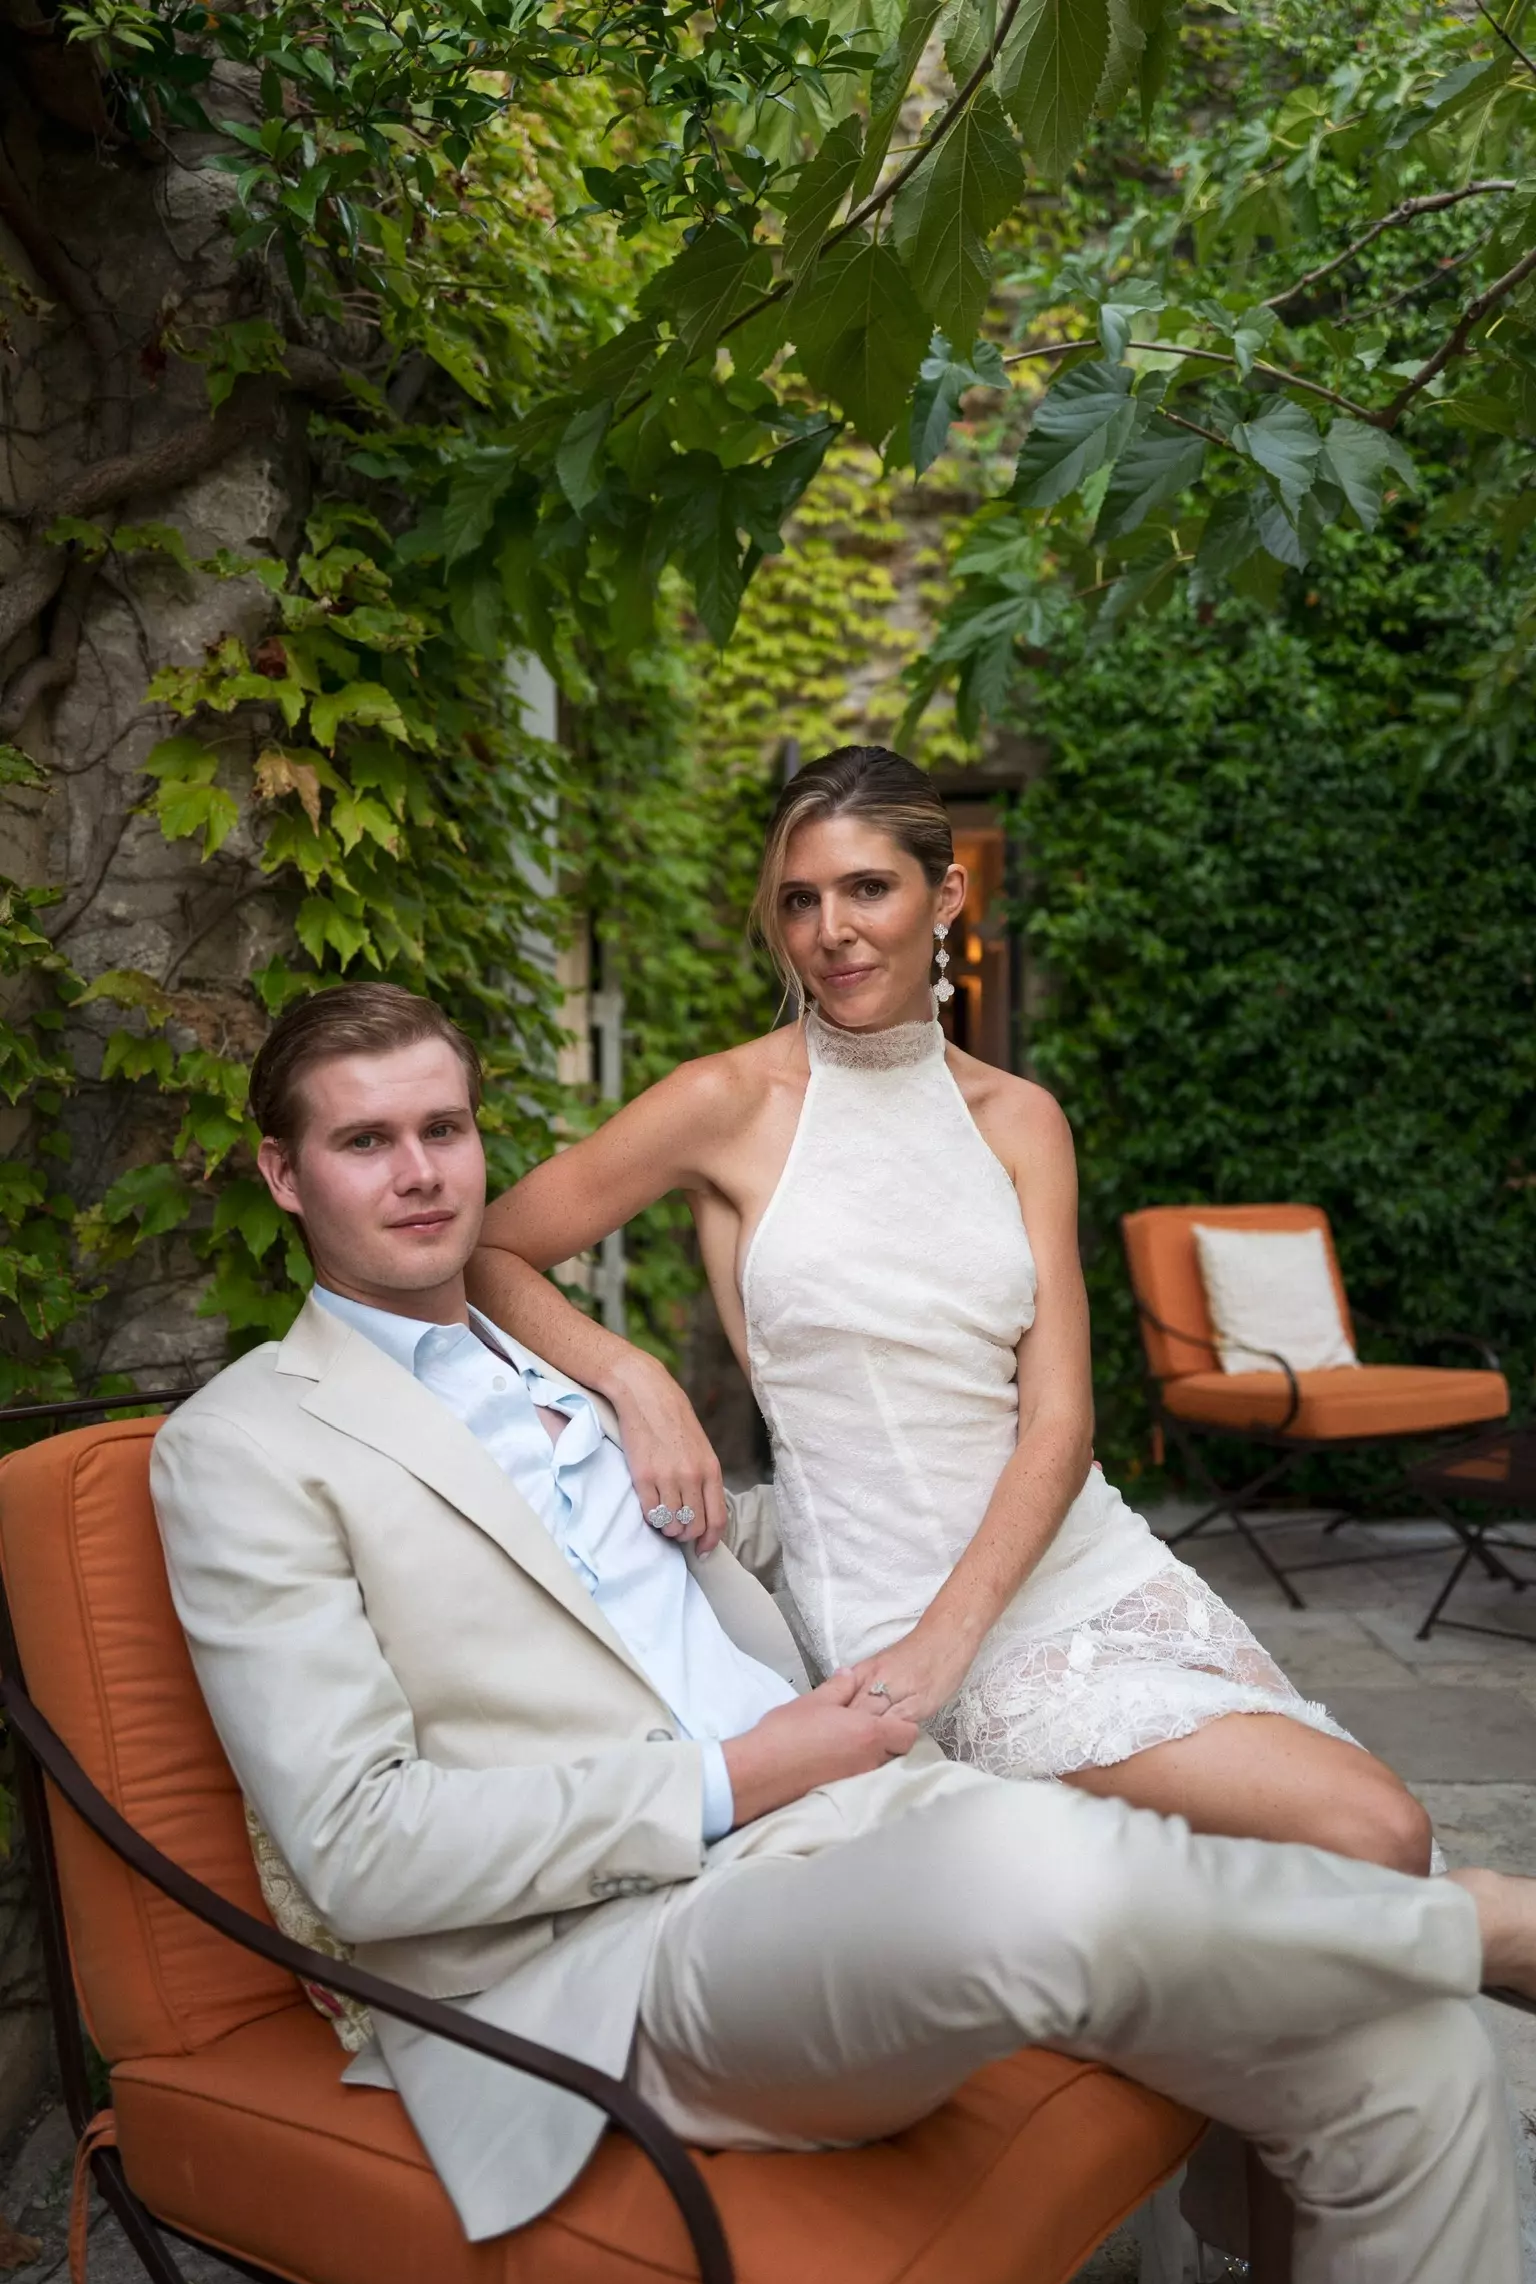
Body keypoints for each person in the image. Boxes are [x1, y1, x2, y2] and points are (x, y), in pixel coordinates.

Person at [149, 980, 1536, 2284]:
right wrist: (749, 1770)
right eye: (365, 1142)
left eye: (442, 1129)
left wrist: (898, 1508)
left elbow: (744, 1544)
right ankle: (1477, 1921)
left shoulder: (572, 1381)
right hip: (625, 1947)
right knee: (1018, 1851)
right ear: (284, 1173)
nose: (419, 1173)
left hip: (860, 1823)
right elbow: (362, 1846)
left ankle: (1433, 1963)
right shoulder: (246, 1446)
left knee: (1417, 2059)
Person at [470, 746, 1433, 1877]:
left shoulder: (1022, 1119)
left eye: (868, 888)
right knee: (1369, 1836)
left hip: (1086, 1569)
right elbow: (488, 1251)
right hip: (890, 1606)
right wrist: (636, 1378)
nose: (833, 930)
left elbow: (1060, 1424)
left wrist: (953, 1636)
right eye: (800, 900)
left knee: (1369, 1843)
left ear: (946, 895)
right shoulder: (724, 1102)